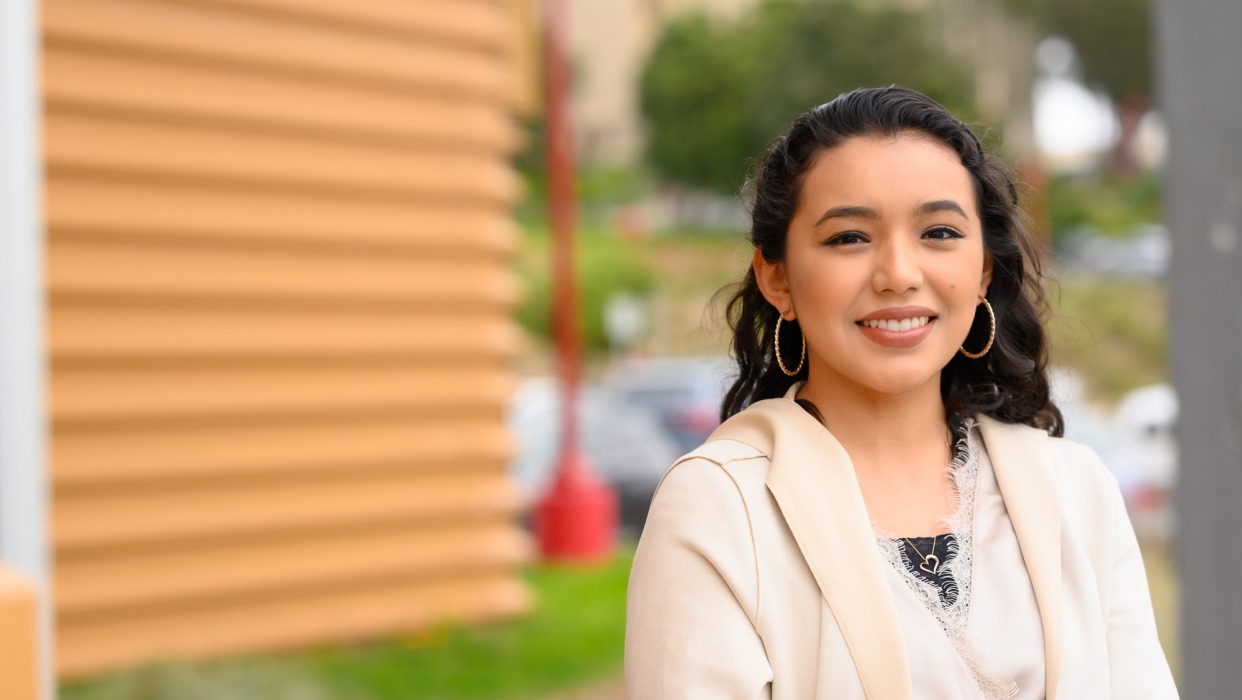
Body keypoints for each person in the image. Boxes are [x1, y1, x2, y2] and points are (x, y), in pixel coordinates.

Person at [624, 86, 1178, 699]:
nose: (899, 275)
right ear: (776, 277)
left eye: (939, 232)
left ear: (984, 270)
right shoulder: (720, 508)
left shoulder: (1077, 490)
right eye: (849, 238)